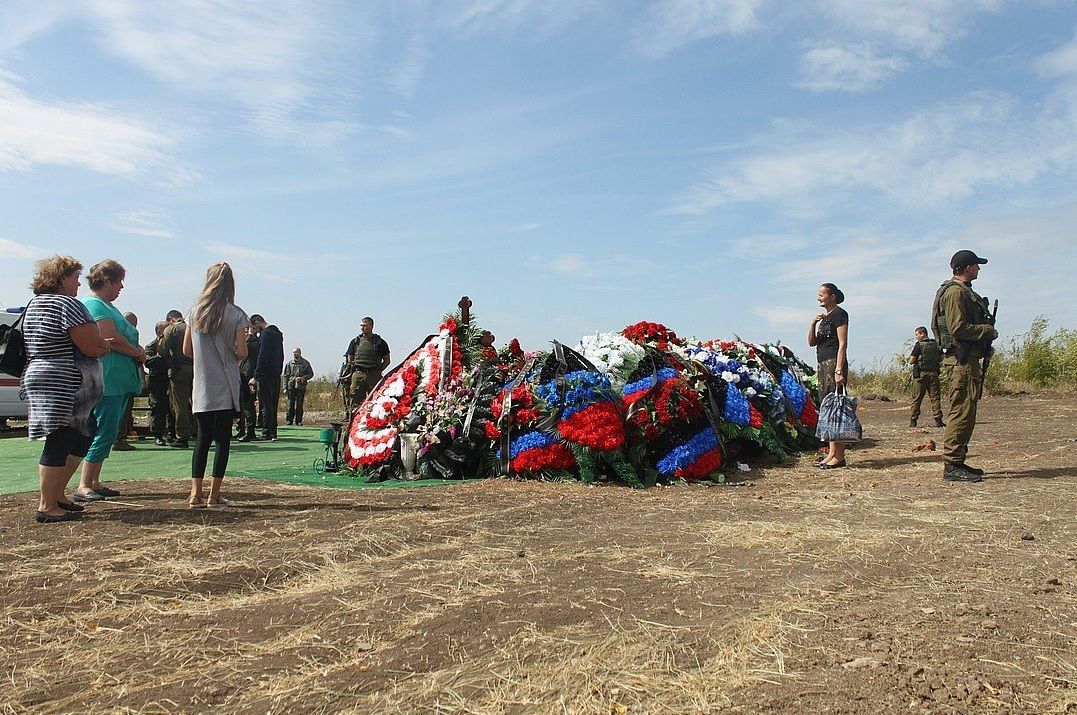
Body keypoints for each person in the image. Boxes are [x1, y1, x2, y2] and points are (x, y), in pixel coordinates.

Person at [21, 256, 110, 522]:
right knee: (61, 438)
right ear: (61, 278)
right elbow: (91, 345)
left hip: (43, 375)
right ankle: (47, 505)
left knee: (78, 435)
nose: (78, 283)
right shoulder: (67, 305)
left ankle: (56, 495)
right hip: (64, 379)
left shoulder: (35, 304)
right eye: (74, 277)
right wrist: (103, 345)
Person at [73, 259, 145, 502]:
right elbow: (110, 337)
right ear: (106, 280)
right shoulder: (94, 304)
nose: (121, 287)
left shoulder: (106, 305)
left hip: (117, 380)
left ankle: (94, 480)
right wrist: (137, 352)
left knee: (109, 429)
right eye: (119, 281)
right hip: (108, 381)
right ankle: (84, 484)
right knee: (103, 429)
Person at [182, 263, 248, 507]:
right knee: (222, 440)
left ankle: (194, 493)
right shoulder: (236, 313)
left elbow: (186, 350)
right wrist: (231, 351)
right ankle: (214, 494)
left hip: (202, 386)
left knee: (202, 439)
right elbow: (242, 352)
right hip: (225, 386)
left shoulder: (194, 312)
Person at [931, 250, 997, 483]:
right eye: (976, 266)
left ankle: (957, 460)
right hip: (961, 361)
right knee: (961, 411)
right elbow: (958, 328)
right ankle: (952, 465)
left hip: (965, 359)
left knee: (966, 412)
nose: (978, 269)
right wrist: (986, 331)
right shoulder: (955, 293)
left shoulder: (961, 292)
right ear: (968, 267)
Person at [807, 282, 849, 469]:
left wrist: (839, 369)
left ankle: (839, 456)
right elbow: (811, 342)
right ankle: (831, 453)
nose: (819, 297)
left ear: (832, 296)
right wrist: (813, 322)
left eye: (822, 294)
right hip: (822, 364)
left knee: (836, 409)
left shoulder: (840, 314)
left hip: (833, 364)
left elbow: (842, 344)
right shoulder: (824, 318)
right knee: (827, 409)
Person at [159, 309, 195, 448]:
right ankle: (200, 432)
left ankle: (182, 437)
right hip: (196, 369)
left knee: (180, 404)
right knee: (197, 402)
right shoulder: (192, 327)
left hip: (179, 370)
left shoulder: (172, 329)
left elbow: (162, 350)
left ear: (170, 319)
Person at [341, 316, 390, 412]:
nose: (362, 328)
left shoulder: (380, 342)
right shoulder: (355, 341)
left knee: (376, 400)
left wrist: (377, 371)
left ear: (371, 326)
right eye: (361, 325)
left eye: (365, 325)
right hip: (358, 374)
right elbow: (350, 359)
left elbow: (387, 361)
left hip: (374, 374)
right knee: (355, 401)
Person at [250, 314, 284, 440]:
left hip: (265, 374)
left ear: (257, 322)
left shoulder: (265, 335)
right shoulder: (277, 335)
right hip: (275, 374)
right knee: (273, 405)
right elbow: (281, 355)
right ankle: (273, 431)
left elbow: (262, 356)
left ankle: (266, 432)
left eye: (255, 327)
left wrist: (256, 375)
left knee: (265, 404)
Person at [113, 310, 141, 451]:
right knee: (123, 409)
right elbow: (138, 355)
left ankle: (116, 438)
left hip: (114, 377)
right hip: (126, 376)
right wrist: (139, 353)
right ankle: (119, 439)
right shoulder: (131, 335)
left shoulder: (115, 333)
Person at [145, 320, 176, 446]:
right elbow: (147, 362)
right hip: (156, 381)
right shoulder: (152, 346)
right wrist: (160, 356)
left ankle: (171, 434)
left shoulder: (171, 346)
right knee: (158, 408)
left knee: (171, 408)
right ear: (159, 332)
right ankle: (158, 435)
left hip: (170, 380)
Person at [908, 326, 944, 429]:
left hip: (921, 375)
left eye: (917, 334)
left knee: (917, 398)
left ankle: (913, 421)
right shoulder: (936, 344)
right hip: (934, 374)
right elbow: (941, 358)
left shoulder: (919, 345)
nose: (916, 337)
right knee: (935, 397)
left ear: (923, 334)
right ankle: (938, 420)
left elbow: (911, 361)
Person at [236, 324, 260, 441]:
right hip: (244, 375)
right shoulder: (255, 342)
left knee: (248, 405)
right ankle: (243, 430)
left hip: (247, 376)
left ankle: (249, 431)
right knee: (243, 405)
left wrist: (249, 335)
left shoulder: (252, 343)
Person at [283, 347, 314, 426]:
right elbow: (285, 376)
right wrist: (285, 387)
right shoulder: (289, 363)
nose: (294, 354)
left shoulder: (305, 363)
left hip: (301, 386)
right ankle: (289, 420)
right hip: (291, 385)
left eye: (296, 352)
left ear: (300, 353)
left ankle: (299, 421)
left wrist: (303, 378)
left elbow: (311, 374)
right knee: (290, 404)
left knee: (299, 404)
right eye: (293, 352)